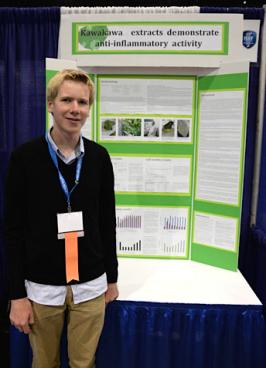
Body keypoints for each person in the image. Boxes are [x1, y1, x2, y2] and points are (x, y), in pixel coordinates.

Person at [5, 68, 118, 368]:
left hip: (91, 285)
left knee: (84, 363)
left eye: (82, 102)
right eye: (67, 100)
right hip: (42, 288)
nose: (75, 109)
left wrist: (113, 277)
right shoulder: (24, 158)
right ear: (50, 104)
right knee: (44, 363)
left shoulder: (99, 157)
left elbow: (107, 221)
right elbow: (12, 231)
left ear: (89, 108)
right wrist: (17, 295)